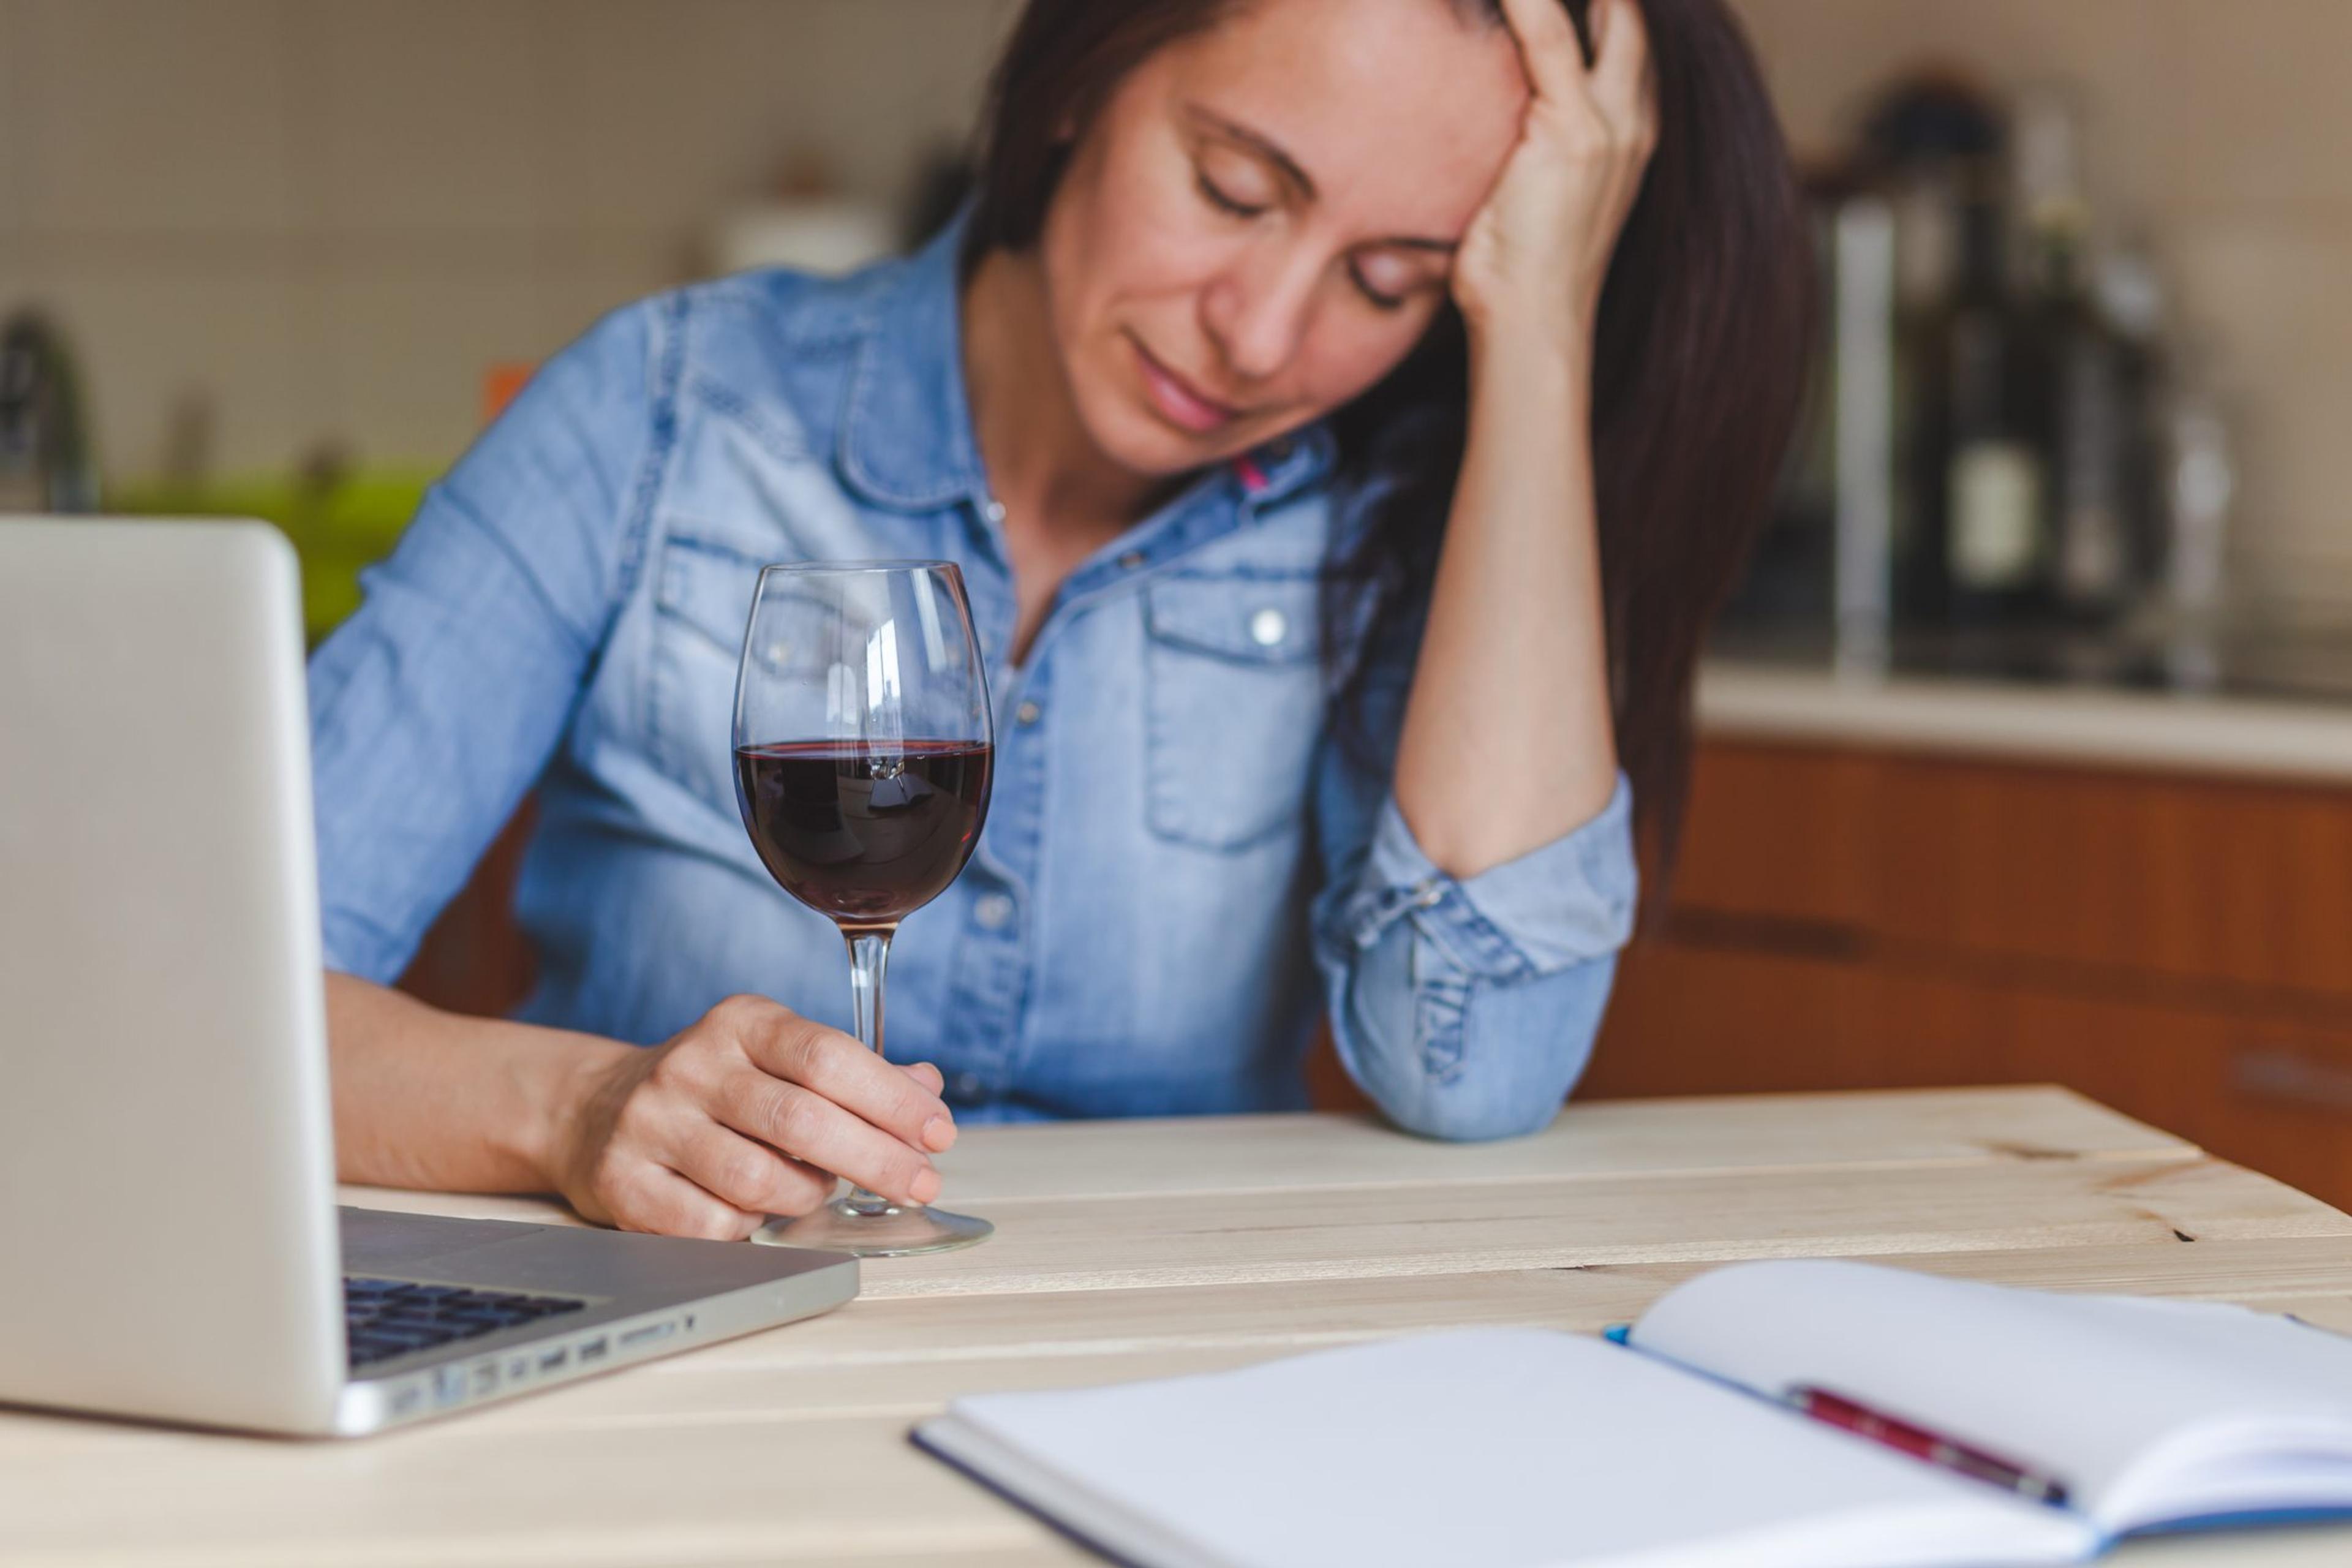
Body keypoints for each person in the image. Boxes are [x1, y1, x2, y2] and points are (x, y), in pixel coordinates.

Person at [312, 0, 1809, 1238]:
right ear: (1083, 80)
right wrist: (577, 1109)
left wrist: (1540, 321)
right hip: (692, 1362)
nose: (1262, 335)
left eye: (1390, 280)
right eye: (1232, 188)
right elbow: (214, 1002)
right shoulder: (665, 417)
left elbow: (1479, 1065)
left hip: (1157, 1390)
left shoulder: (1396, 530)